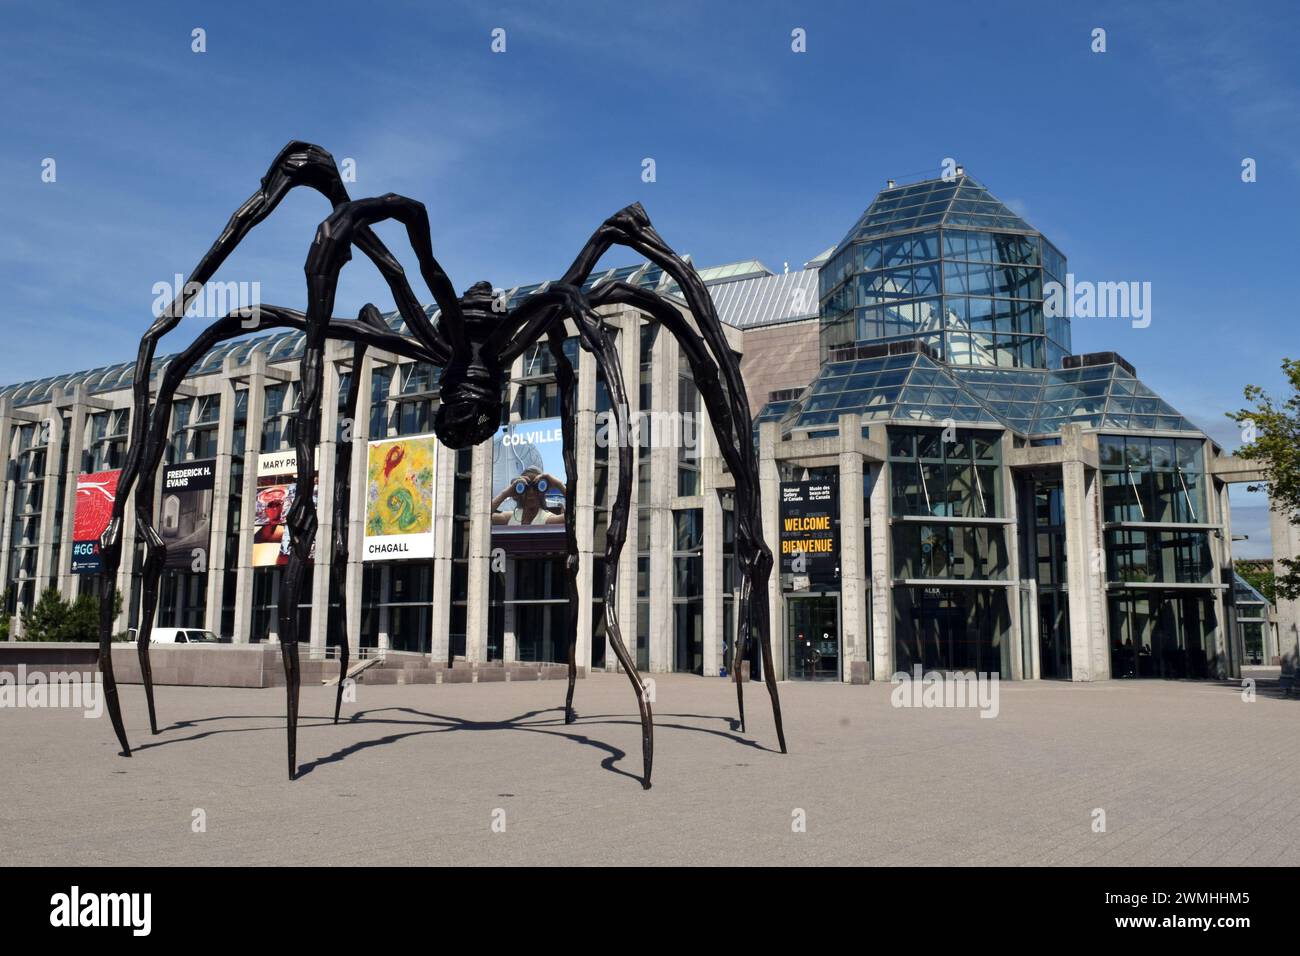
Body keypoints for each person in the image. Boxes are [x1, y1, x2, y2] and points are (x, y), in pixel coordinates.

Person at [490, 467, 566, 525]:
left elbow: (577, 515)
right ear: (519, 490)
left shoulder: (547, 519)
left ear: (543, 491)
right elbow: (482, 517)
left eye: (536, 487)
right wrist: (506, 493)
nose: (531, 492)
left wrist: (558, 484)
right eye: (526, 488)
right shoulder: (511, 517)